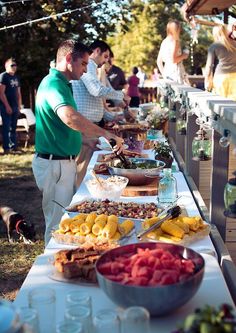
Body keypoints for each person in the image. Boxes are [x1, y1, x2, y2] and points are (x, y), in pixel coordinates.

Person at [32, 39, 124, 245]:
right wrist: (104, 134)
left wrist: (86, 141)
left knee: (65, 220)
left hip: (62, 162)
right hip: (54, 164)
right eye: (83, 64)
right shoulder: (54, 83)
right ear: (68, 59)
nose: (85, 70)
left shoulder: (63, 84)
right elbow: (70, 118)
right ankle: (51, 269)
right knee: (59, 225)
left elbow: (61, 126)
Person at [71, 40, 130, 188]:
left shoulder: (92, 67)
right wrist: (120, 95)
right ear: (96, 51)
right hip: (85, 129)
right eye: (105, 56)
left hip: (90, 128)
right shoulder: (89, 64)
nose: (106, 61)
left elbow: (94, 102)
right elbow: (96, 90)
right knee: (83, 178)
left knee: (87, 174)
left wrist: (115, 117)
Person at [204, 24, 236, 101]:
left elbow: (209, 66)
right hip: (234, 76)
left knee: (221, 103)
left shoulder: (214, 46)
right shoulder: (235, 43)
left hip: (220, 77)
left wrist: (207, 80)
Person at [157, 20, 189, 85]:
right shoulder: (175, 41)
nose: (180, 31)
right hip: (176, 74)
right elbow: (174, 60)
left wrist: (164, 75)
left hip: (167, 74)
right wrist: (184, 55)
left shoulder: (164, 42)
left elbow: (158, 61)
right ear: (176, 30)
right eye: (179, 28)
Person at [0, 58, 22, 154]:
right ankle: (6, 148)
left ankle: (14, 147)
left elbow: (18, 92)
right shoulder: (3, 76)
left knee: (13, 127)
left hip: (15, 106)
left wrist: (19, 105)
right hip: (6, 106)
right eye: (12, 65)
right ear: (6, 66)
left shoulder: (16, 77)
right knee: (6, 127)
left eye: (15, 65)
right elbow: (1, 93)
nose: (14, 67)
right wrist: (7, 106)